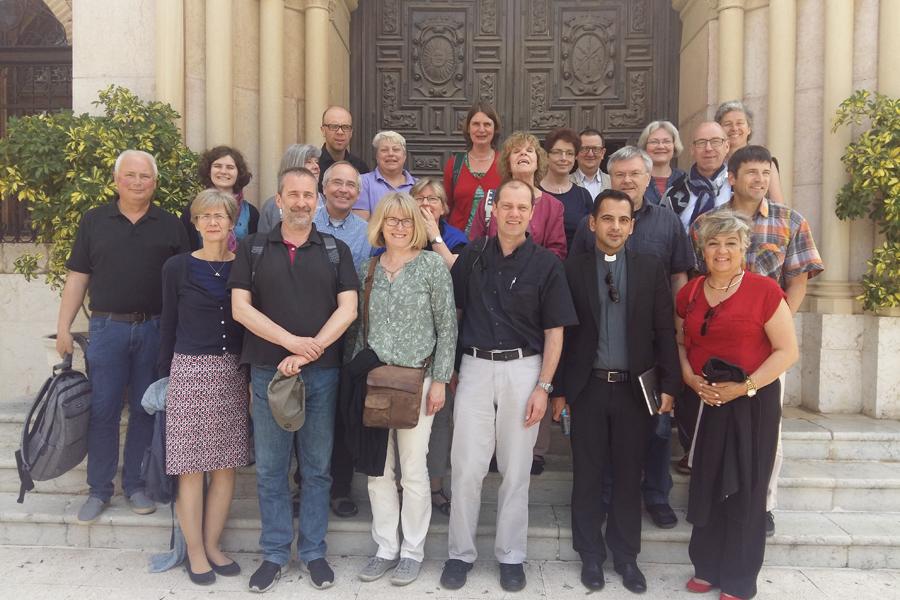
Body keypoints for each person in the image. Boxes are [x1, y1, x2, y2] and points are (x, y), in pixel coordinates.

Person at [440, 179, 577, 593]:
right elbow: (453, 313)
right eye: (507, 206)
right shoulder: (472, 256)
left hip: (524, 370)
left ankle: (511, 556)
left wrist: (544, 387)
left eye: (522, 207)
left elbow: (555, 332)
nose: (514, 214)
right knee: (466, 467)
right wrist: (450, 365)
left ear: (532, 213)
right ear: (493, 210)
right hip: (475, 368)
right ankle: (459, 554)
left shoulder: (547, 265)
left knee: (517, 469)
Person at [228, 166, 359, 593]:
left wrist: (308, 351)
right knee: (271, 469)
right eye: (294, 195)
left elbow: (348, 309)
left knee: (317, 469)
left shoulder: (336, 250)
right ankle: (274, 554)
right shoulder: (253, 247)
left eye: (308, 195)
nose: (302, 202)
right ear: (279, 200)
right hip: (269, 373)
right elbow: (241, 309)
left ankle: (314, 552)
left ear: (317, 201)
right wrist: (290, 344)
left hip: (321, 374)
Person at [689, 145, 823, 537]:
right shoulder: (707, 223)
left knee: (767, 431)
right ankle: (713, 496)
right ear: (731, 177)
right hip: (718, 348)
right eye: (751, 172)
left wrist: (776, 326)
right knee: (712, 423)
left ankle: (763, 504)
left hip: (768, 347)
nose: (760, 180)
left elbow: (798, 280)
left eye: (766, 172)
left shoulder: (790, 221)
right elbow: (698, 279)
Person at [551, 189, 680, 593]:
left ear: (632, 226)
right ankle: (590, 555)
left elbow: (664, 331)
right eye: (607, 219)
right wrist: (558, 391)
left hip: (634, 391)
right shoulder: (572, 269)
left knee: (628, 476)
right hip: (587, 389)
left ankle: (626, 557)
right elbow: (561, 334)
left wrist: (670, 385)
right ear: (592, 223)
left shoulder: (650, 268)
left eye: (623, 220)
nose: (615, 227)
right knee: (588, 476)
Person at [56, 149, 190, 523]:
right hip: (107, 329)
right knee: (104, 409)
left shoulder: (170, 225)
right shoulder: (94, 220)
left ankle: (136, 485)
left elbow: (184, 283)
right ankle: (98, 490)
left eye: (145, 176)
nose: (137, 182)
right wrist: (64, 326)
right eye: (130, 175)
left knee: (146, 409)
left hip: (154, 330)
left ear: (155, 182)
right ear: (116, 180)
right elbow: (77, 277)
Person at [569, 146, 694, 528]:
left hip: (648, 348)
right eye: (620, 174)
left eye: (634, 174)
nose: (627, 180)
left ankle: (656, 496)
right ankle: (607, 501)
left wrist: (678, 328)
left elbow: (678, 274)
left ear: (647, 177)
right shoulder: (589, 225)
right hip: (601, 356)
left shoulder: (667, 222)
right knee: (606, 446)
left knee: (657, 430)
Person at [677, 209, 798, 600]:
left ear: (744, 248)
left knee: (746, 488)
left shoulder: (765, 291)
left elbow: (787, 351)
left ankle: (739, 579)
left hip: (753, 402)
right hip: (706, 399)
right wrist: (688, 376)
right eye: (713, 243)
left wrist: (743, 387)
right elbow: (680, 342)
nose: (722, 251)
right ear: (702, 249)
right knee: (707, 482)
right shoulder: (690, 293)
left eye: (731, 243)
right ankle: (707, 567)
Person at [351, 192, 457, 586]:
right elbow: (356, 329)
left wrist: (441, 381)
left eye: (407, 220)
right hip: (375, 382)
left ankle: (412, 551)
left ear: (417, 226)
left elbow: (447, 327)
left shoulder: (431, 266)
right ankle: (385, 547)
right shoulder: (368, 268)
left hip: (418, 381)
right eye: (392, 220)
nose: (399, 227)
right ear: (380, 224)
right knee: (378, 471)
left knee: (413, 470)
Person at [158, 188, 251, 585]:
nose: (213, 222)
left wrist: (250, 376)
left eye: (220, 215)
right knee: (191, 468)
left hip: (233, 372)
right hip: (190, 373)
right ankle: (194, 551)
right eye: (205, 216)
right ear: (195, 223)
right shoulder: (176, 267)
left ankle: (212, 545)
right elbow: (167, 325)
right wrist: (164, 377)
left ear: (232, 222)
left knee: (226, 467)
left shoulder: (244, 265)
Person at [469, 131, 567, 261]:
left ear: (538, 163)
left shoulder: (553, 206)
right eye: (516, 151)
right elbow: (475, 245)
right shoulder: (489, 200)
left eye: (529, 150)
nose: (523, 153)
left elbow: (557, 252)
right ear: (508, 164)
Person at [181, 146, 259, 250]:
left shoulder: (251, 213)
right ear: (208, 171)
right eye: (217, 166)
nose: (223, 171)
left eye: (230, 167)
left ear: (239, 173)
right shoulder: (193, 209)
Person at [443, 102, 503, 235]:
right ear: (468, 128)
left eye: (487, 124)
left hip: (494, 241)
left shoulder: (505, 163)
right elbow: (446, 206)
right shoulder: (454, 164)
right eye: (476, 124)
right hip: (458, 241)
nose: (481, 129)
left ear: (495, 129)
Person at [715, 100, 785, 203]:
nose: (734, 128)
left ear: (749, 129)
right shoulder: (714, 164)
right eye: (728, 124)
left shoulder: (765, 162)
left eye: (739, 123)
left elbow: (779, 206)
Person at [671, 122, 732, 231]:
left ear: (727, 146)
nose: (708, 148)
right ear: (692, 150)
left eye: (715, 141)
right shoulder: (675, 193)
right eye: (701, 142)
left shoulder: (738, 186)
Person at [540, 127, 593, 250]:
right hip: (541, 261)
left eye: (569, 153)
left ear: (575, 157)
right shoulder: (533, 192)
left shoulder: (583, 195)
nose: (563, 158)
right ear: (547, 155)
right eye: (557, 152)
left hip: (576, 261)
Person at [317, 161, 373, 268]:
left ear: (358, 194)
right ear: (324, 188)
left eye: (350, 185)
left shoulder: (367, 233)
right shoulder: (308, 223)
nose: (343, 190)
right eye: (337, 183)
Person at [259, 144, 325, 233]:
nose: (316, 167)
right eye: (308, 162)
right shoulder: (271, 207)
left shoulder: (325, 201)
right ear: (294, 165)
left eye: (316, 162)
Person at [354, 130, 416, 220]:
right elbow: (361, 224)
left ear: (404, 156)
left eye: (396, 150)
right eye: (384, 150)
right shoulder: (362, 182)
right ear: (376, 156)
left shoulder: (418, 186)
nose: (390, 154)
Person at [318, 105, 370, 193]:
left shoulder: (360, 168)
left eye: (346, 127)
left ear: (351, 133)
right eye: (334, 126)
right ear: (323, 130)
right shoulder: (314, 166)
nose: (340, 132)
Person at [637, 120, 688, 209]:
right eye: (654, 142)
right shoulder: (635, 179)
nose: (660, 146)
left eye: (666, 141)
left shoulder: (686, 180)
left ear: (674, 146)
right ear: (645, 147)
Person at [570, 128, 611, 200]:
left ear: (603, 153)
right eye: (584, 148)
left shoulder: (613, 182)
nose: (590, 154)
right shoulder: (564, 182)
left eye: (596, 149)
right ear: (576, 153)